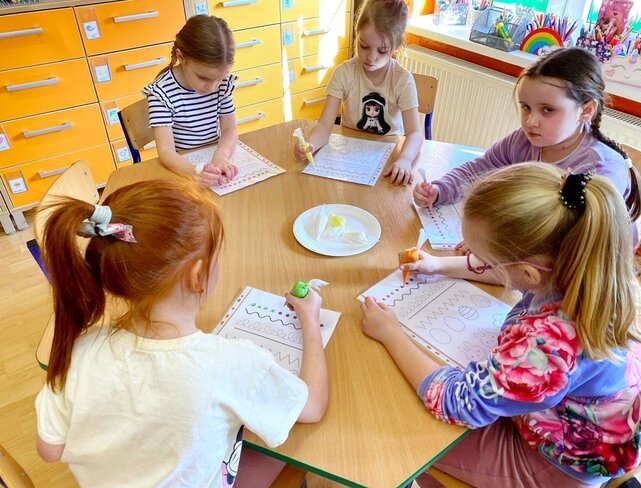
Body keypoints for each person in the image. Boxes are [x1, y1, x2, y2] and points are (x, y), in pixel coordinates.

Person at [362, 163, 641, 487]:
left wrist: (391, 333)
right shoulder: (587, 275)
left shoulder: (550, 346)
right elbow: (512, 272)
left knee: (403, 430)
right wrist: (439, 265)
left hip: (557, 467)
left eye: (485, 260)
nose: (478, 262)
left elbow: (455, 401)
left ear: (529, 274)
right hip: (581, 421)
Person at [34, 179, 328, 487]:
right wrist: (310, 320)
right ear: (198, 276)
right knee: (285, 445)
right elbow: (313, 406)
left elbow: (50, 450)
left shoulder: (79, 349)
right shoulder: (234, 363)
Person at [413, 47, 641, 249]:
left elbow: (572, 239)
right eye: (526, 107)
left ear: (586, 110)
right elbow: (479, 169)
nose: (531, 121)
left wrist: (496, 245)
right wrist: (441, 189)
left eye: (547, 110)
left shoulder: (602, 169)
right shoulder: (524, 140)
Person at [293, 0, 423, 186]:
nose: (371, 57)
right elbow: (324, 125)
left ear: (396, 46)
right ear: (356, 34)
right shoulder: (344, 73)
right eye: (364, 46)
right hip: (348, 159)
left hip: (387, 163)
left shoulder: (402, 80)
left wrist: (405, 159)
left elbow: (415, 133)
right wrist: (310, 144)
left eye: (382, 50)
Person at [143, 15, 239, 188]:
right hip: (182, 167)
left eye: (219, 78)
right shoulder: (161, 93)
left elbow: (229, 129)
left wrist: (221, 156)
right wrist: (195, 172)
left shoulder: (223, 84)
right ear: (181, 57)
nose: (212, 87)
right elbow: (166, 151)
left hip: (212, 154)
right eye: (203, 78)